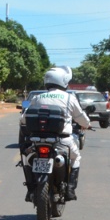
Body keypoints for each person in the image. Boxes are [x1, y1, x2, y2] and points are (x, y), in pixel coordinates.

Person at [27, 66, 91, 200]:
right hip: (63, 141)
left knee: (28, 160)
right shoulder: (69, 98)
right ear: (64, 81)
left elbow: (24, 118)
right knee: (76, 158)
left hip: (38, 140)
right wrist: (87, 125)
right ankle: (70, 190)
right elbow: (80, 117)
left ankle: (31, 189)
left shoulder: (38, 98)